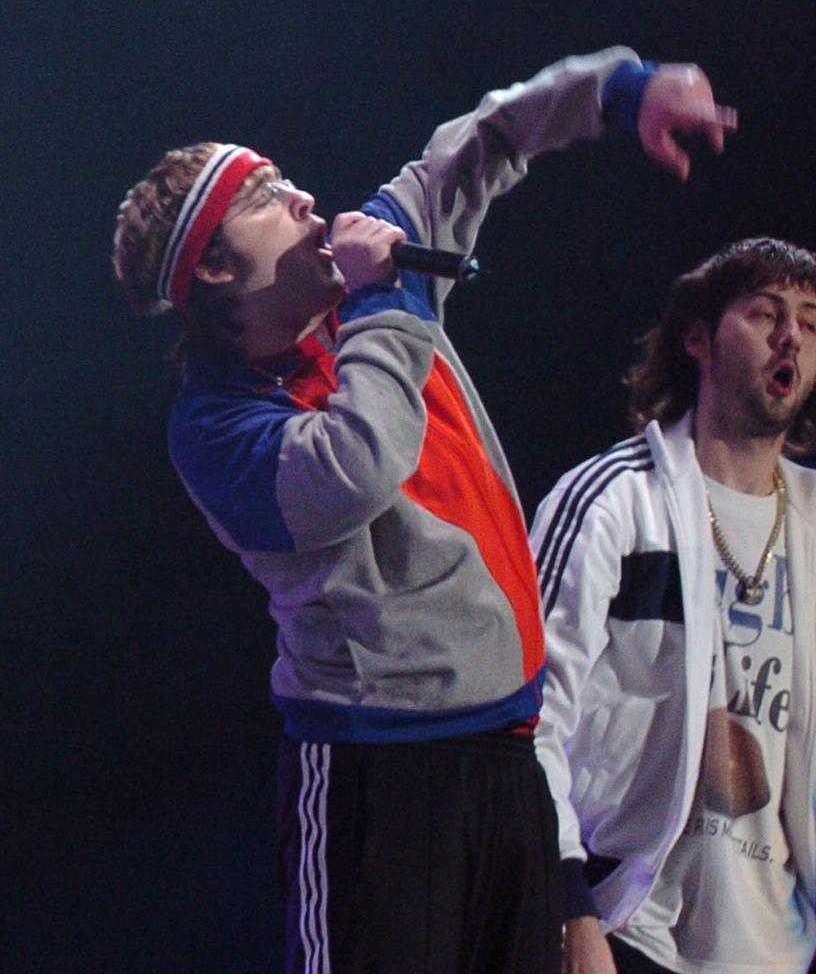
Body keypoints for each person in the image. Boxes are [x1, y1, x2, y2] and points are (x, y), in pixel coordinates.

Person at [108, 51, 735, 973]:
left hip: (507, 758)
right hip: (379, 779)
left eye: (285, 179)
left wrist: (625, 91)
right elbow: (356, 466)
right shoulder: (218, 426)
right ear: (212, 267)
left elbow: (482, 142)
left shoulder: (367, 290)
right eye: (266, 198)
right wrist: (389, 300)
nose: (307, 204)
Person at [534, 239, 816, 974]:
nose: (791, 336)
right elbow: (526, 716)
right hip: (630, 932)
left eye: (811, 323)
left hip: (777, 949)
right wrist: (571, 910)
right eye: (765, 313)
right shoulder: (614, 502)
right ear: (697, 338)